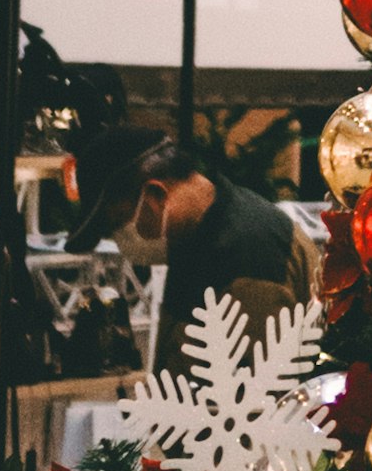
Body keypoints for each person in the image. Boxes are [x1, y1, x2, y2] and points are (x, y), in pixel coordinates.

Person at [120, 148, 310, 346]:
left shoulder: (248, 252)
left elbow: (254, 370)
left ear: (156, 195)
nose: (120, 241)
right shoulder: (193, 235)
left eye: (119, 223)